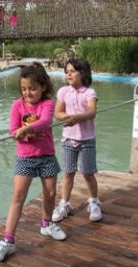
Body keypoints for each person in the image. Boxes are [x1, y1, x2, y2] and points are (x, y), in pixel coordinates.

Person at [0, 63, 67, 262]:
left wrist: (26, 129)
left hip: (47, 155)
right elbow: (12, 130)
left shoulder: (47, 103)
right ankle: (8, 240)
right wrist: (27, 134)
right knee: (18, 196)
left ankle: (47, 224)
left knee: (50, 192)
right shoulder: (17, 105)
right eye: (24, 89)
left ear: (43, 86)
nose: (27, 93)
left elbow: (45, 121)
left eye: (32, 88)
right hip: (25, 157)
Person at [52, 58, 101, 223]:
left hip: (87, 140)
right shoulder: (63, 92)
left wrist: (75, 118)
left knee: (88, 173)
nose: (69, 74)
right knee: (68, 173)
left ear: (83, 73)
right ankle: (64, 203)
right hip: (68, 139)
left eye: (72, 71)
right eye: (67, 72)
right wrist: (67, 117)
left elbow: (92, 112)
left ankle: (94, 201)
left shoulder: (90, 93)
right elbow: (58, 112)